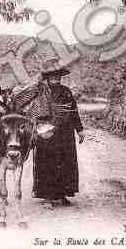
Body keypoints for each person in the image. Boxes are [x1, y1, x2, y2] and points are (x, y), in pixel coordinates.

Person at [32, 59, 84, 208]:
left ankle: (61, 195)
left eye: (58, 75)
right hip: (47, 135)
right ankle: (48, 197)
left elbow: (74, 112)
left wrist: (79, 130)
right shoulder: (40, 92)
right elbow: (34, 113)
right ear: (47, 77)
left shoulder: (66, 91)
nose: (55, 78)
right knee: (47, 164)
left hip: (65, 135)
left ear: (61, 76)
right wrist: (39, 128)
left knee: (66, 163)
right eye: (52, 75)